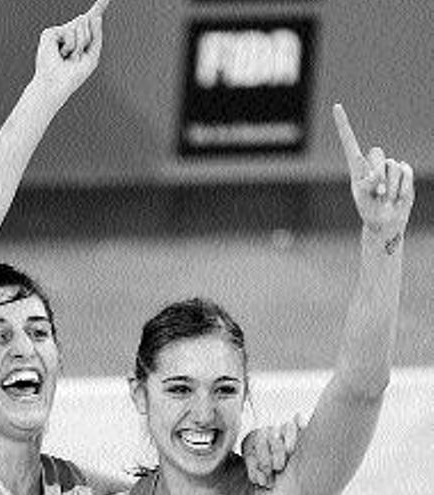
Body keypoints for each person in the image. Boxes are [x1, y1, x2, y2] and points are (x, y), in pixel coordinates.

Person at [0, 0, 299, 492]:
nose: (23, 348)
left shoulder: (81, 489)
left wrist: (245, 458)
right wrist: (45, 92)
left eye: (38, 332)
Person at [121, 104, 414, 494]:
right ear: (140, 394)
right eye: (179, 389)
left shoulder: (281, 485)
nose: (204, 414)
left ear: (246, 393)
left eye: (224, 389)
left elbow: (361, 387)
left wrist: (382, 237)